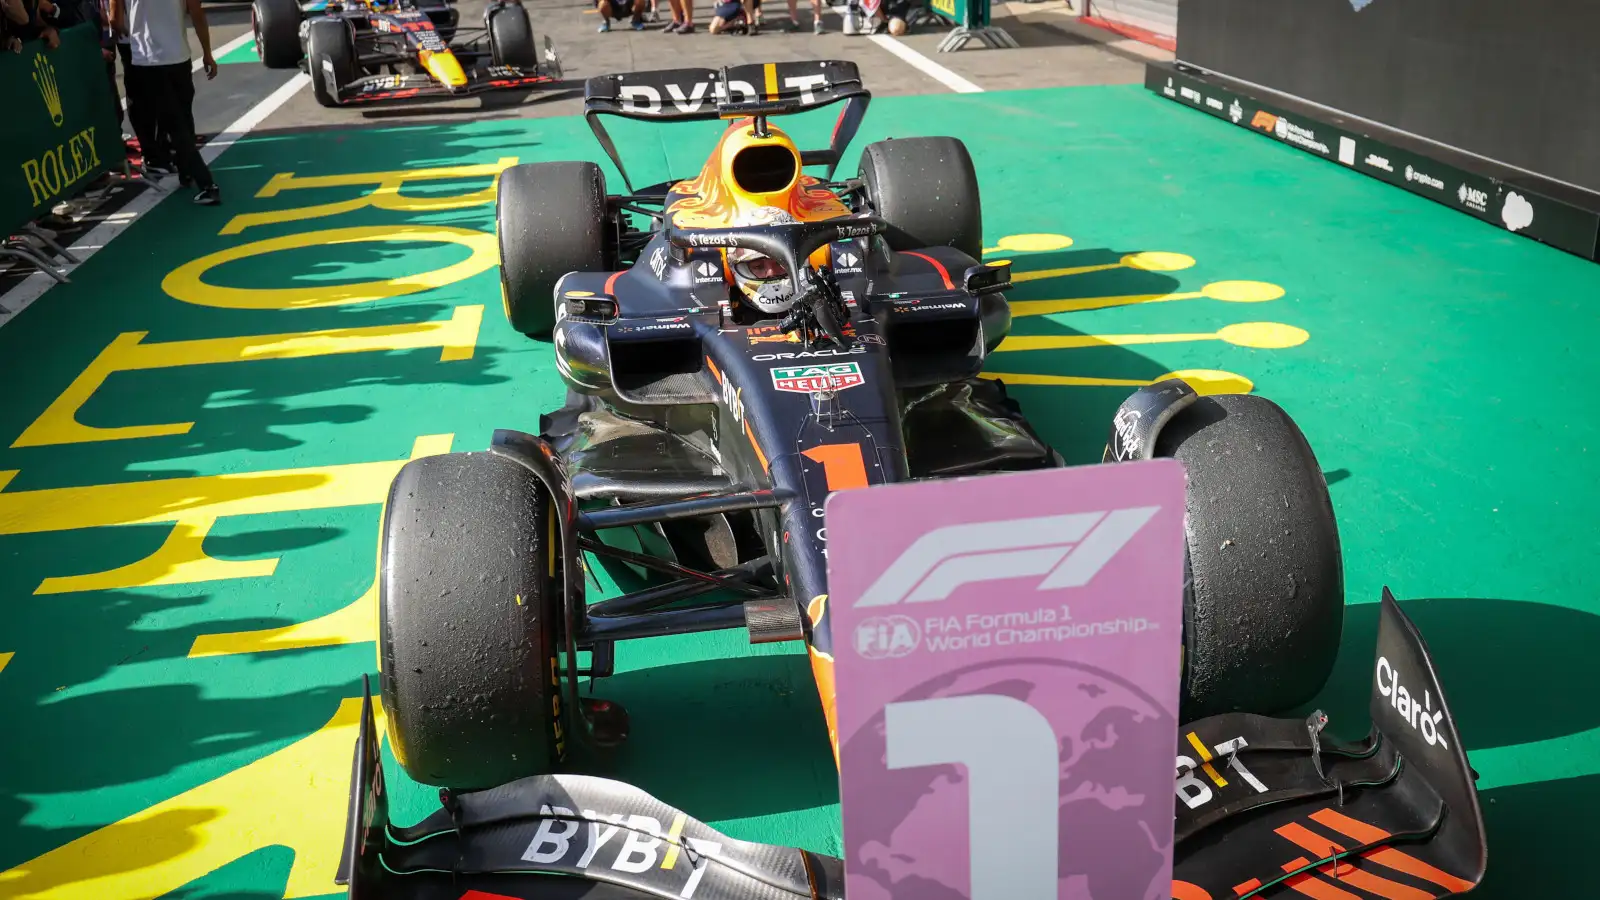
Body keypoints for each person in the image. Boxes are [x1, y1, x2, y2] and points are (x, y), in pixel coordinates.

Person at [110, 0, 219, 204]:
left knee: (173, 123)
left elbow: (115, 18)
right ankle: (187, 171)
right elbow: (196, 11)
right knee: (183, 118)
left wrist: (128, 32)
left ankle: (206, 183)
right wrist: (207, 52)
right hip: (178, 55)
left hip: (148, 58)